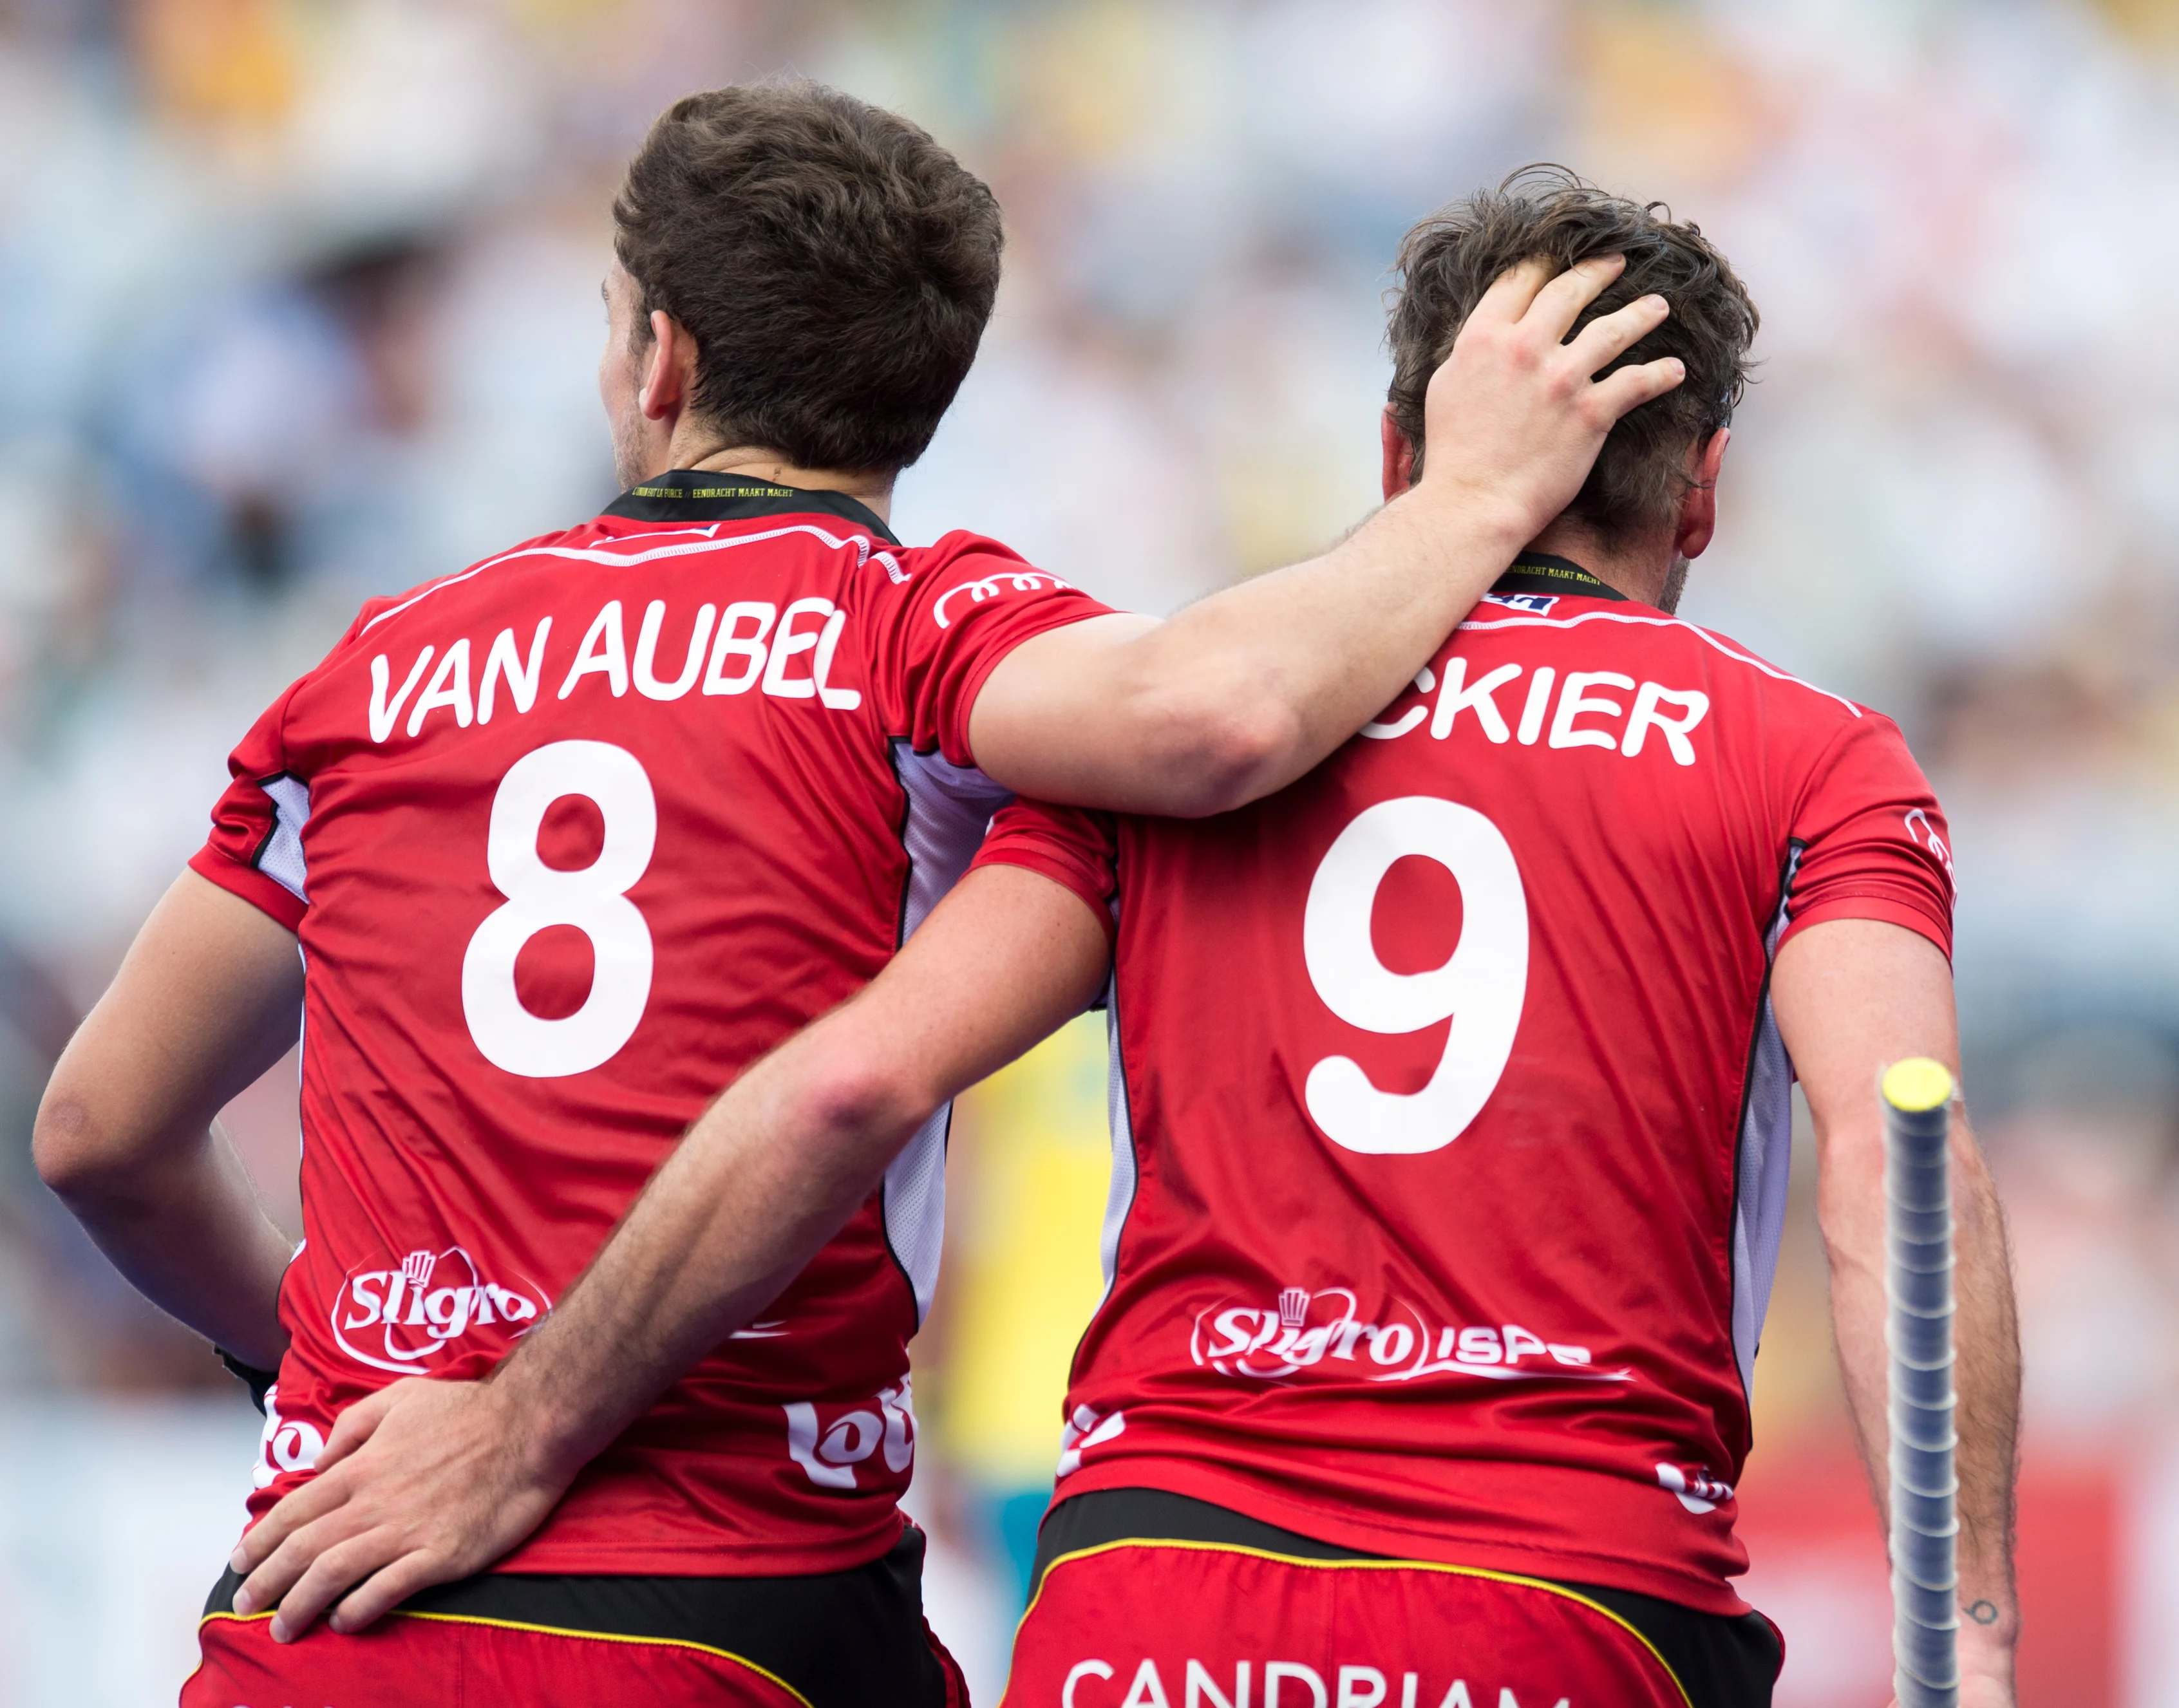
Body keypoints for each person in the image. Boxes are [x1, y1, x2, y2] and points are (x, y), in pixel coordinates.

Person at [228, 169, 2022, 1707]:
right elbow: (1898, 1160)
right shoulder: (1809, 758)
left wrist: (530, 1417)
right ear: (1702, 489)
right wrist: (1972, 1647)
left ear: (1399, 449)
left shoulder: (1178, 747)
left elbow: (850, 1078)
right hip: (1560, 1589)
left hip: (1147, 1596)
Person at [32, 82, 1681, 1708]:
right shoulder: (906, 632)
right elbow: (1216, 715)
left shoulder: (379, 666)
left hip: (333, 1601)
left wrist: (327, 1367)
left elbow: (100, 1131)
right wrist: (1476, 497)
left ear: (657, 359)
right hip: (732, 1598)